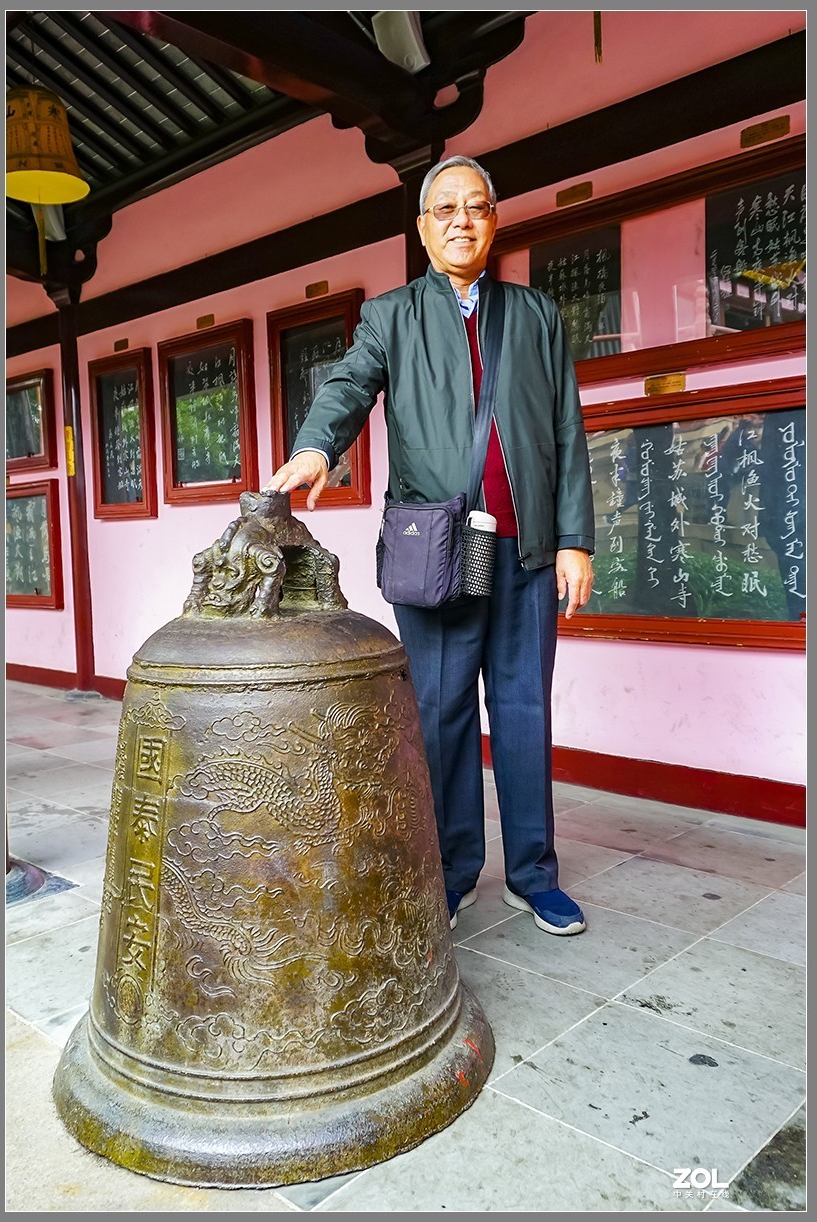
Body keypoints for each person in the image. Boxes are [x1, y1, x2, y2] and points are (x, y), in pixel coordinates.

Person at [266, 155, 595, 936]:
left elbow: (566, 431)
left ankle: (533, 873)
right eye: (444, 208)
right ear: (422, 227)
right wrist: (318, 446)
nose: (460, 220)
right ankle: (450, 872)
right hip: (437, 549)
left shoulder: (536, 315)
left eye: (474, 207)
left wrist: (576, 539)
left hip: (526, 549)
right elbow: (348, 385)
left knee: (522, 710)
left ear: (493, 220)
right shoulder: (392, 315)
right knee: (442, 714)